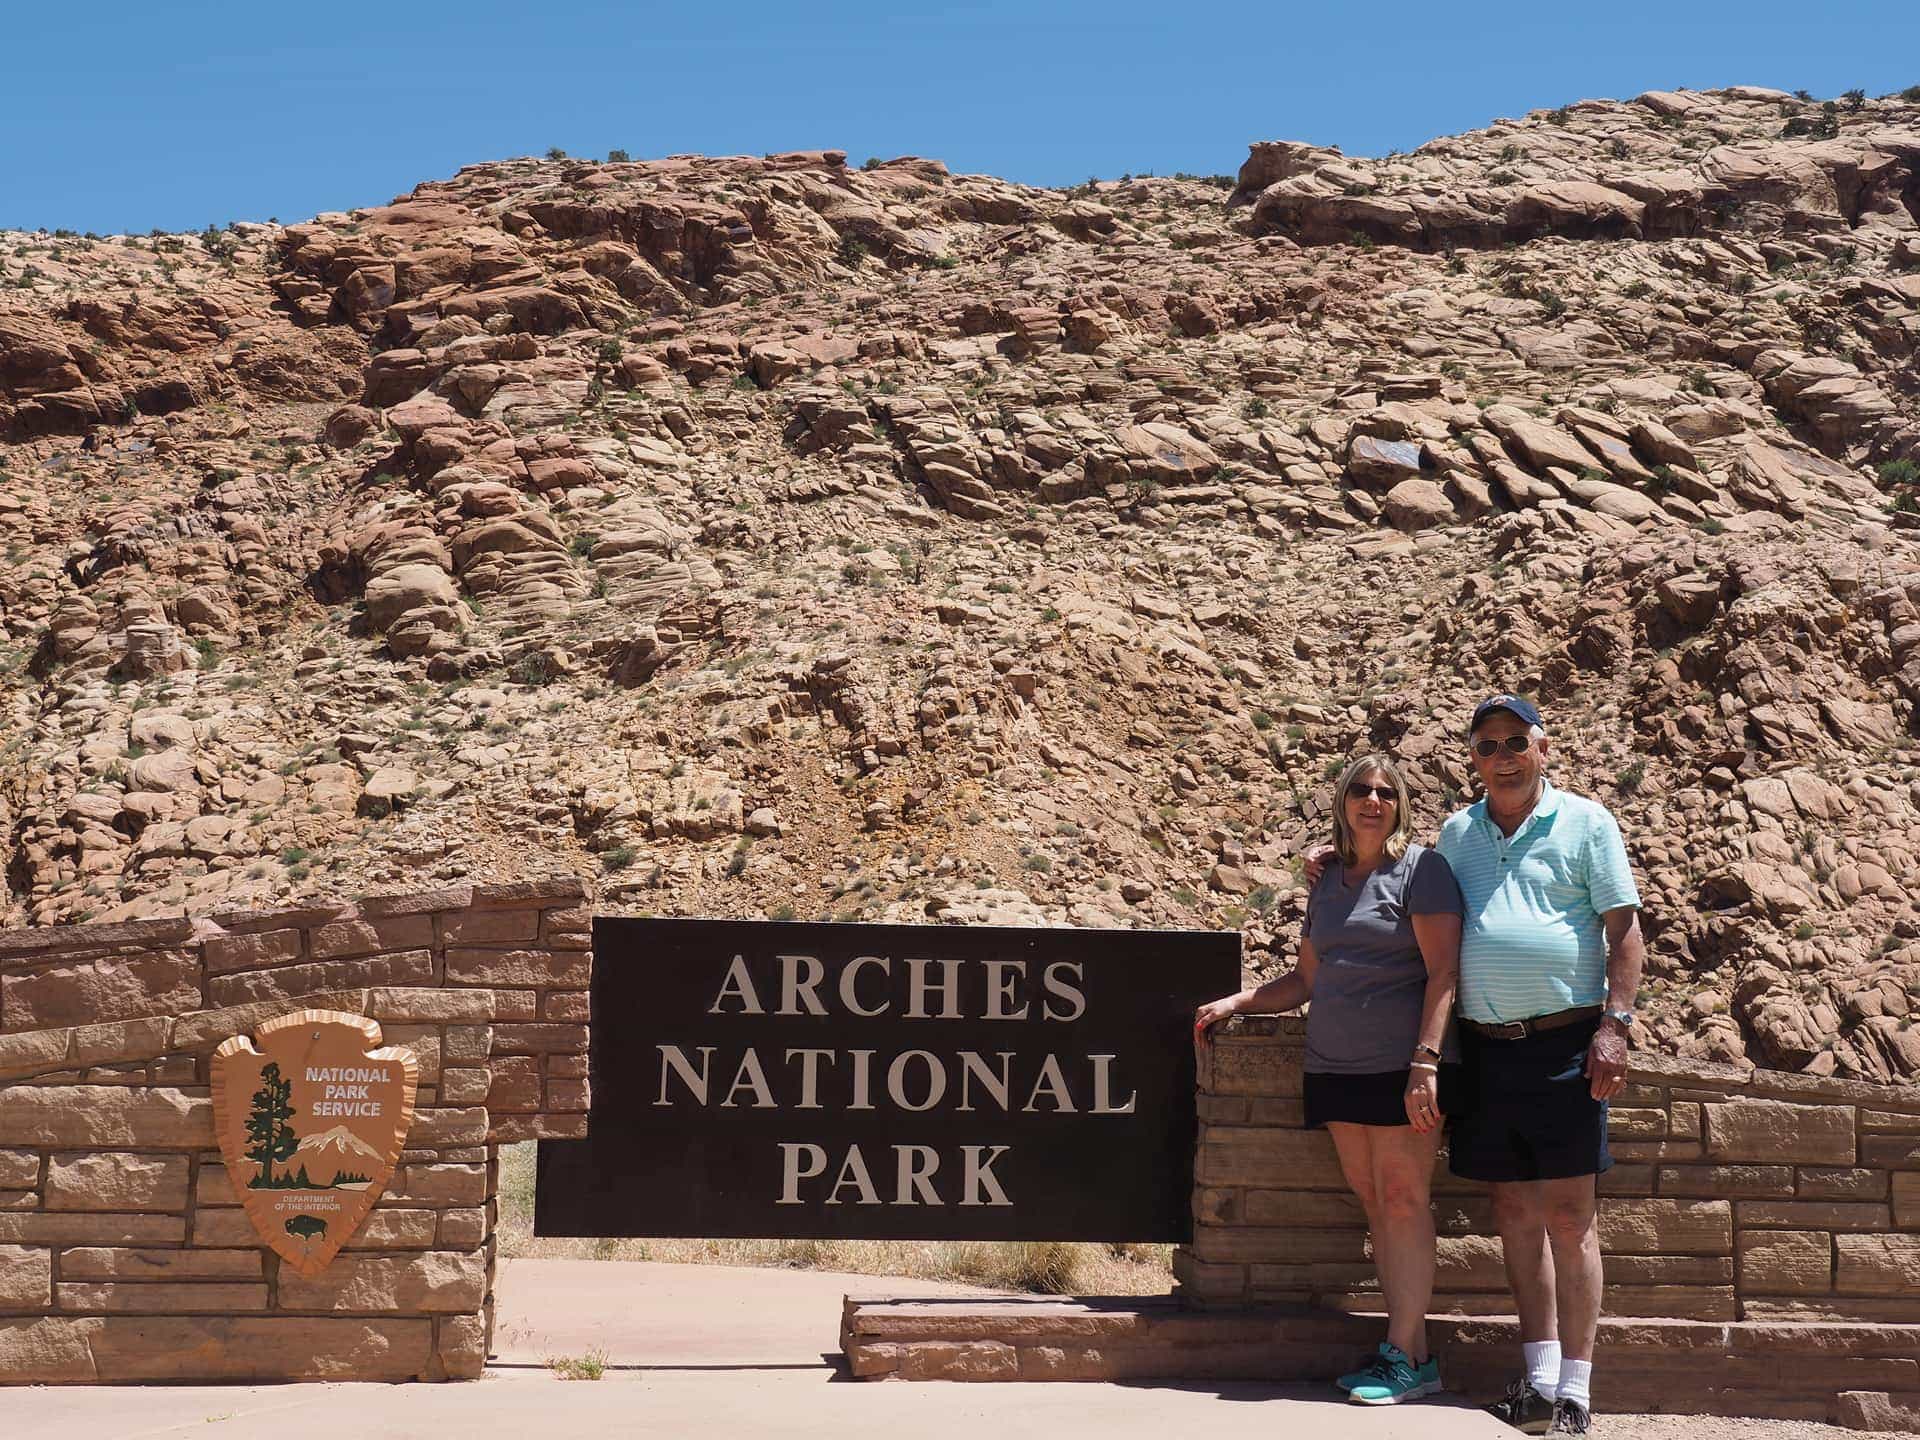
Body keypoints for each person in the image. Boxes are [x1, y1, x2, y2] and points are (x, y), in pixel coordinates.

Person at [1195, 753, 1463, 1407]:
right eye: (1361, 790)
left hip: (1401, 1068)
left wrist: (1426, 1062)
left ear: (1400, 804)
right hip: (1335, 1065)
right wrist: (1240, 1001)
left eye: (1385, 792)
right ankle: (1409, 1354)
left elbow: (1444, 974)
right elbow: (1309, 980)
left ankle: (1407, 1355)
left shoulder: (1421, 872)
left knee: (1404, 1201)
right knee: (1375, 1202)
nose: (1373, 800)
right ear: (1343, 802)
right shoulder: (1329, 882)